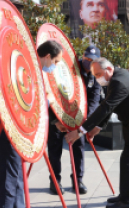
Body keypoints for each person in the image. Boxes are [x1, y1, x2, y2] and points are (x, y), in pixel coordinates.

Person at [65, 58, 129, 208]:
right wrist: (98, 127)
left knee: (128, 162)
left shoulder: (119, 82)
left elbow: (106, 107)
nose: (97, 79)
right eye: (95, 75)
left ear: (109, 69)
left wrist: (81, 131)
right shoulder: (117, 77)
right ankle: (125, 195)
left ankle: (127, 202)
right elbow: (113, 105)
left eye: (98, 74)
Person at [0, 40, 64, 207]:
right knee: (9, 177)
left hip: (15, 126)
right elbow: (24, 102)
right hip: (5, 126)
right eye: (55, 62)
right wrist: (47, 101)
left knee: (17, 175)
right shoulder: (25, 67)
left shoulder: (31, 67)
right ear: (48, 56)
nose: (55, 66)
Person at [48, 46, 102, 195]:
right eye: (86, 59)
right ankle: (55, 181)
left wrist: (83, 122)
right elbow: (51, 91)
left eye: (92, 61)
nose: (88, 62)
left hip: (78, 118)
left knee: (79, 149)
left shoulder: (95, 74)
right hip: (59, 116)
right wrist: (55, 119)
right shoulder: (69, 68)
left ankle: (77, 180)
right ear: (82, 57)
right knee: (54, 149)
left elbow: (94, 100)